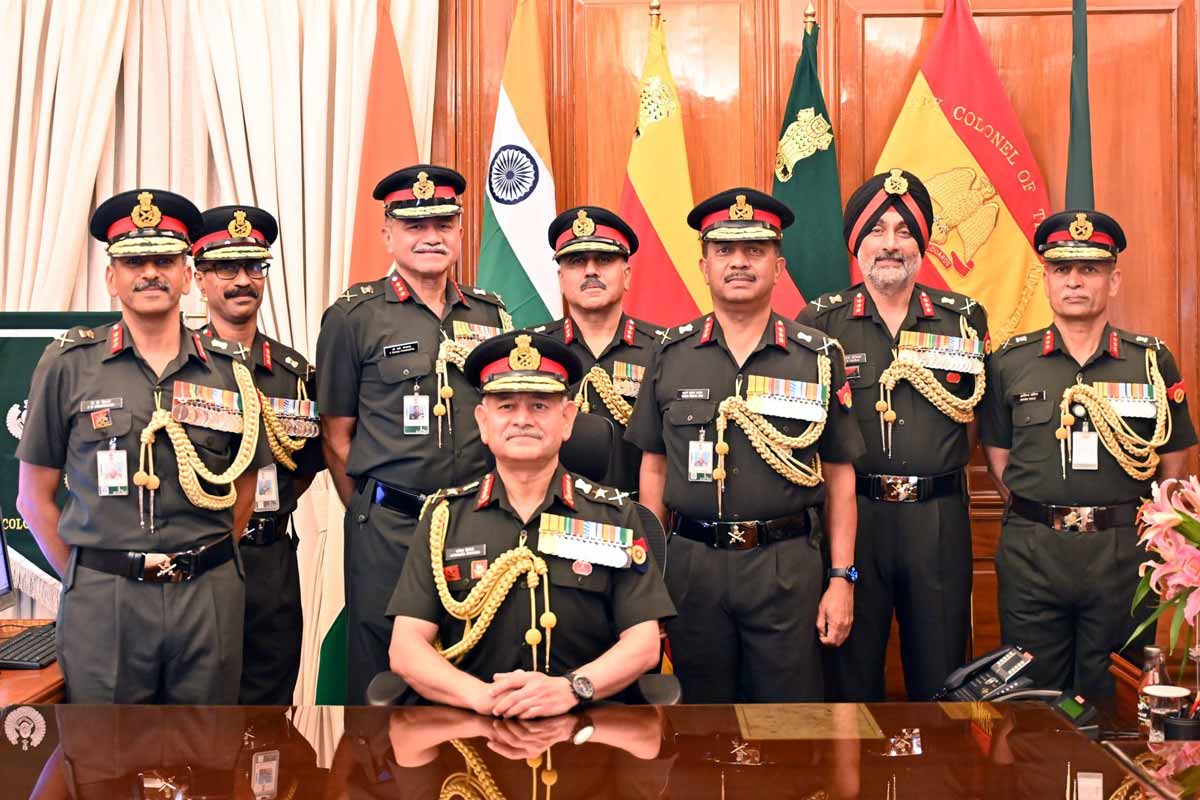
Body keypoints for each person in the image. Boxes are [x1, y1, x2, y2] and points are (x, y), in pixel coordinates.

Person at [15, 189, 271, 703]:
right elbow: (33, 498)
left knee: (207, 762)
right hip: (105, 598)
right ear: (112, 277)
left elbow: (245, 489)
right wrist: (90, 578)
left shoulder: (228, 369)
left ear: (186, 273)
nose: (150, 273)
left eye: (165, 260)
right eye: (134, 260)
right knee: (102, 763)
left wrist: (200, 559)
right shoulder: (68, 365)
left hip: (207, 595)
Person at [625, 187, 865, 702]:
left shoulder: (817, 357)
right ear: (704, 265)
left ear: (778, 266)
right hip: (691, 567)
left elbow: (841, 475)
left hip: (785, 567)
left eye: (755, 250)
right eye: (724, 251)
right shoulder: (670, 353)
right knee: (699, 726)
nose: (739, 262)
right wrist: (652, 575)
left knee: (789, 727)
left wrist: (842, 578)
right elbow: (653, 469)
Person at [386, 330, 676, 717]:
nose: (522, 420)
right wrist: (480, 697)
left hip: (586, 725)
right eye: (506, 407)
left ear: (568, 419)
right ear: (483, 422)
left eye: (540, 406)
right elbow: (406, 647)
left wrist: (572, 689)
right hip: (472, 723)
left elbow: (642, 643)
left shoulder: (615, 516)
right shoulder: (444, 519)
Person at [316, 164, 512, 703]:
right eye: (414, 226)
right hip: (390, 527)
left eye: (443, 224)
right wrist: (371, 507)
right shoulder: (353, 316)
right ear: (388, 234)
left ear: (458, 230)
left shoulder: (491, 316)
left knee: (474, 653)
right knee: (384, 676)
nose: (430, 237)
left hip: (474, 520)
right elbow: (336, 435)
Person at [982, 209, 1197, 696]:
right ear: (1046, 280)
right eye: (1062, 270)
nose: (1075, 281)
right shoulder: (1012, 361)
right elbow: (997, 449)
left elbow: (1174, 452)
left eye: (1090, 269)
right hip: (1034, 551)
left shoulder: (1150, 360)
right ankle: (1041, 776)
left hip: (1121, 554)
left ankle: (1112, 776)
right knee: (1032, 698)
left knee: (1114, 696)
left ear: (1113, 280)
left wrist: (1148, 522)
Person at [797, 169, 989, 701]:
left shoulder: (964, 321)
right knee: (850, 676)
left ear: (922, 244)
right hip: (853, 518)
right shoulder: (820, 324)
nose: (890, 244)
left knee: (944, 676)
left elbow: (974, 419)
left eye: (904, 231)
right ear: (857, 244)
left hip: (938, 522)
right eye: (877, 230)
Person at [193, 204, 324, 705]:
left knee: (269, 706)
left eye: (254, 267)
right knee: (200, 707)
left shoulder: (293, 372)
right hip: (200, 560)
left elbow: (307, 465)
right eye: (226, 268)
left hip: (270, 560)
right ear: (200, 278)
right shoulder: (180, 367)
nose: (242, 280)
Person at [531, 206, 662, 494]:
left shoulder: (663, 350)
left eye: (604, 259)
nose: (591, 270)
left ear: (627, 275)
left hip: (635, 516)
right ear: (561, 278)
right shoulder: (535, 351)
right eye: (577, 261)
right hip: (552, 518)